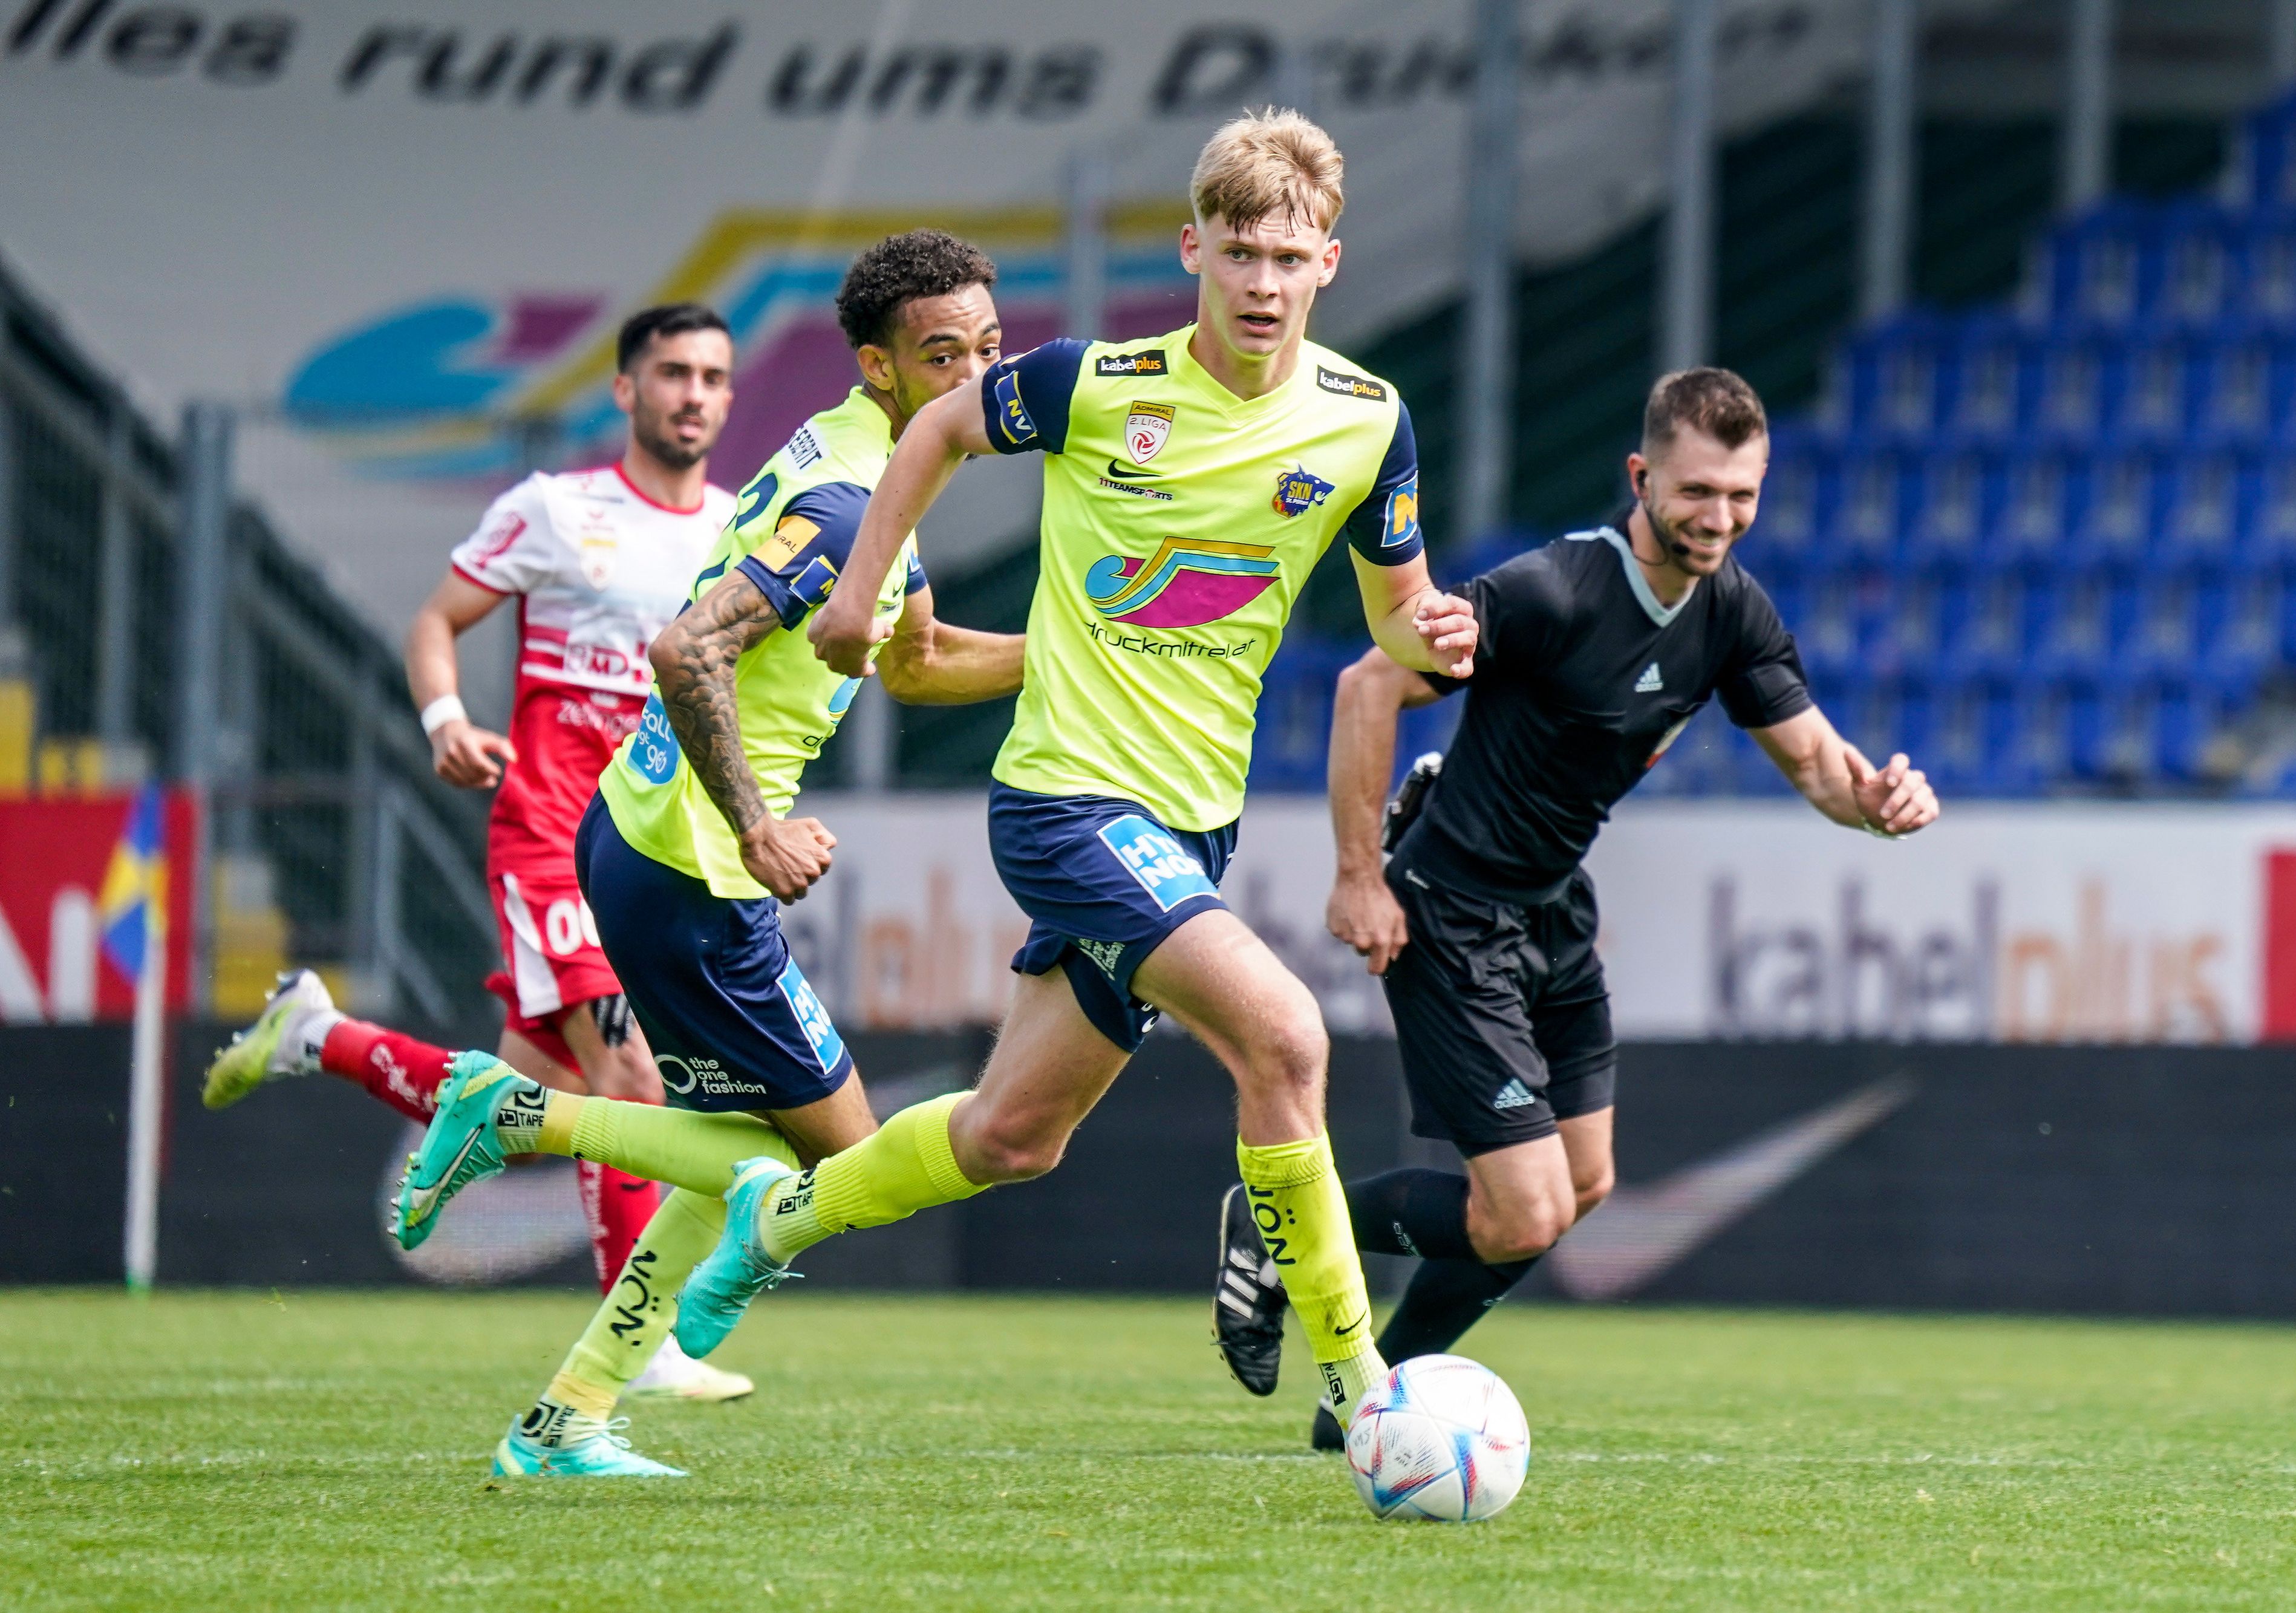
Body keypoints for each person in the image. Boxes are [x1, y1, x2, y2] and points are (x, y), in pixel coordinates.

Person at [401, 108, 1479, 1442]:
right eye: (1240, 252)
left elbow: (1394, 616)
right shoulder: (1079, 392)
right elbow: (902, 476)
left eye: (1290, 256)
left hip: (1176, 815)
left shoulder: (1367, 420)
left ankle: (625, 1349)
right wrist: (803, 720)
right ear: (1194, 248)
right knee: (1285, 1035)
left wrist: (1437, 632)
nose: (1262, 281)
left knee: (1006, 1138)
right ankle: (1363, 1391)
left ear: (1328, 262)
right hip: (1039, 809)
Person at [389, 229, 1025, 1476]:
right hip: (693, 868)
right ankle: (512, 1107)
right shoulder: (851, 501)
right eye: (941, 355)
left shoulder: (878, 470)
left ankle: (565, 1417)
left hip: (647, 842)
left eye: (989, 350)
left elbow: (915, 658)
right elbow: (688, 649)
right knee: (842, 1159)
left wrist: (1082, 644)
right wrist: (756, 823)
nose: (975, 377)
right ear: (879, 367)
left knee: (737, 1155)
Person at [1219, 366, 1942, 1448]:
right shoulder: (1553, 591)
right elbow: (1370, 682)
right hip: (1451, 912)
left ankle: (1373, 1406)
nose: (1720, 519)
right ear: (1642, 476)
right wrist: (1358, 874)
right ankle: (1277, 1234)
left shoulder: (1734, 611)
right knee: (1525, 1210)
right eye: (1698, 492)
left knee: (1585, 1185)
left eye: (1742, 496)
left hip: (1554, 914)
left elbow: (1822, 770)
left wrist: (1881, 800)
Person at [203, 302, 748, 1402]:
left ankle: (318, 1032)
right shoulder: (556, 510)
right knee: (632, 1077)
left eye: (715, 378)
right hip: (552, 833)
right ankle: (636, 1344)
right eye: (675, 373)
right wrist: (445, 721)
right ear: (626, 390)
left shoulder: (740, 529)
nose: (696, 394)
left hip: (654, 851)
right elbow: (435, 622)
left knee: (521, 1104)